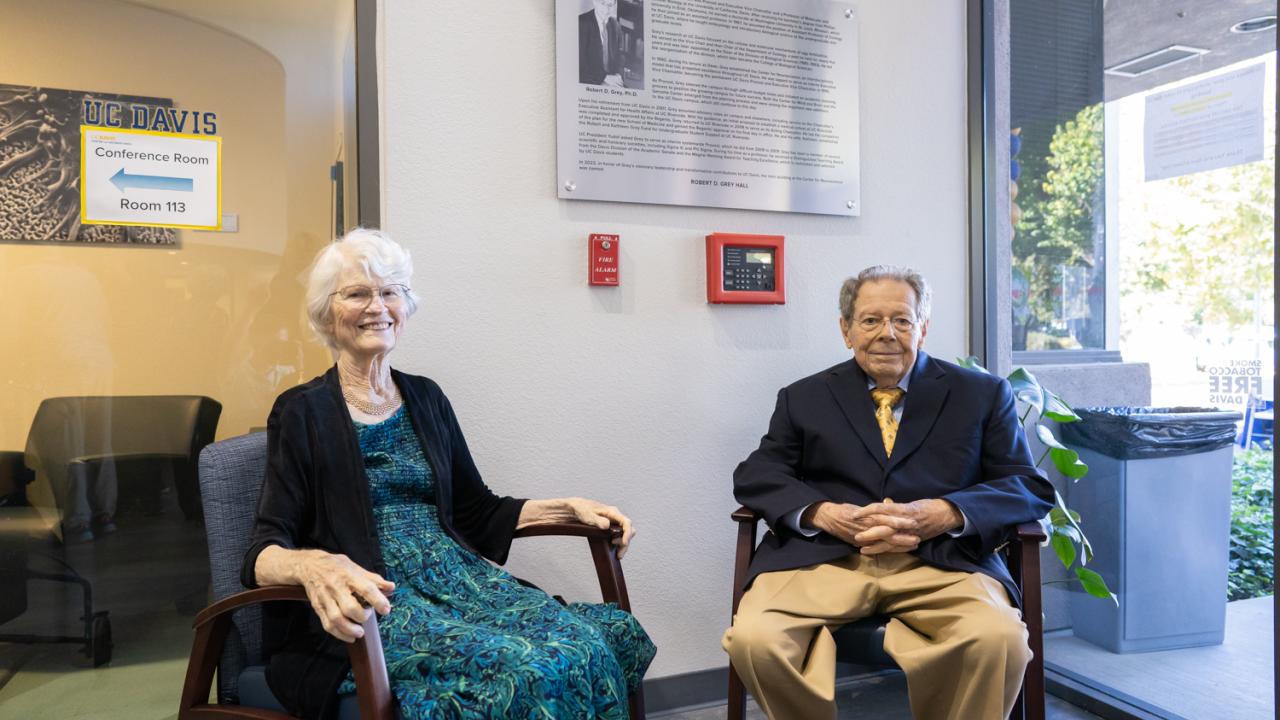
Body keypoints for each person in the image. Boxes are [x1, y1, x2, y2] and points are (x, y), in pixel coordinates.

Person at [241, 228, 655, 719]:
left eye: (390, 291)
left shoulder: (426, 397)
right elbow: (263, 550)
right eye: (357, 293)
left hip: (464, 586)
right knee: (523, 668)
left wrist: (568, 508)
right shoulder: (301, 411)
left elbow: (476, 510)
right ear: (328, 315)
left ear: (405, 305)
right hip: (384, 602)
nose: (377, 306)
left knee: (588, 640)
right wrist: (315, 567)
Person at [722, 265, 1054, 719]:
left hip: (939, 562)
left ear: (924, 327)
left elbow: (1026, 484)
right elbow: (758, 474)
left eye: (902, 320)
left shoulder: (981, 393)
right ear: (846, 330)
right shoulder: (804, 396)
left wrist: (947, 512)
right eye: (871, 320)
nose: (887, 334)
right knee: (754, 639)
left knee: (999, 638)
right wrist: (822, 513)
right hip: (827, 559)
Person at [579, 0, 623, 86]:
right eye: (603, 4)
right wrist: (604, 77)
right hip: (590, 81)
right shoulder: (581, 23)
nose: (607, 10)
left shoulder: (615, 25)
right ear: (595, 2)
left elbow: (619, 55)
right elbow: (580, 63)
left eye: (610, 5)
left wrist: (618, 75)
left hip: (611, 80)